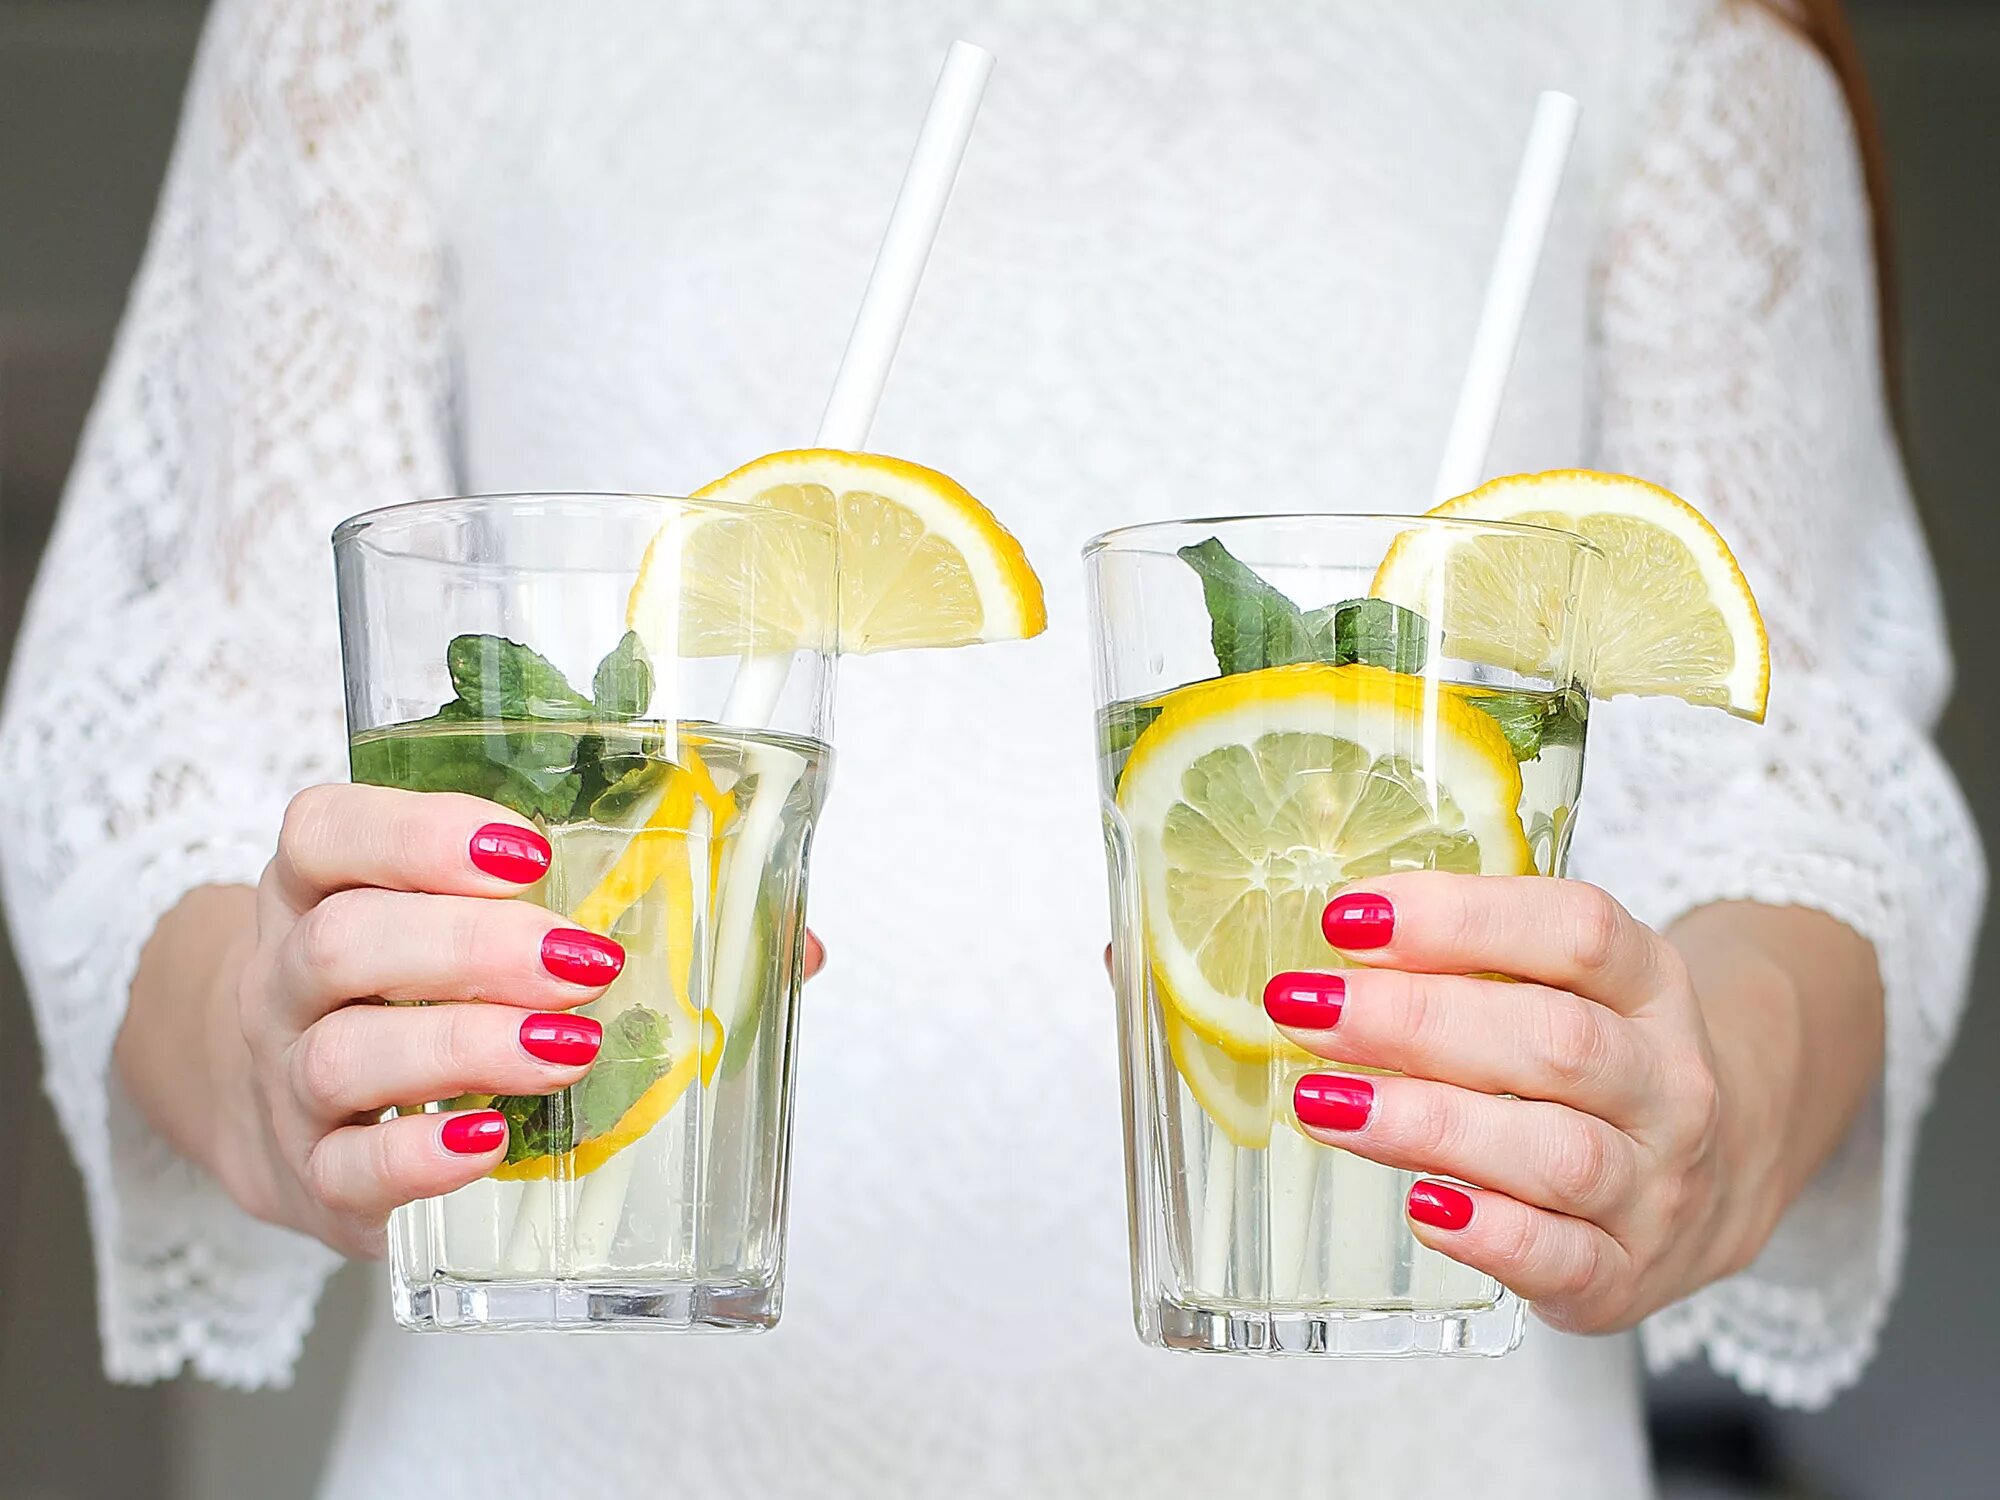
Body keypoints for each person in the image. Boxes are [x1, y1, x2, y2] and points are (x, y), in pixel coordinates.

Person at [0, 0, 1980, 1495]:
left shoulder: (1664, 38)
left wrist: (1693, 1105)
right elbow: (155, 765)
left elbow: (1800, 805)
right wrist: (273, 1048)